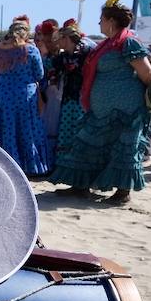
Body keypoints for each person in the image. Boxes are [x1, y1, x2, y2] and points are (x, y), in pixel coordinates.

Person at [48, 0, 151, 204]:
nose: (98, 23)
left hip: (125, 110)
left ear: (111, 21)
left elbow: (147, 74)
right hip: (101, 110)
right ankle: (80, 185)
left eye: (101, 19)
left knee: (123, 147)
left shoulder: (128, 42)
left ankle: (123, 192)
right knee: (88, 144)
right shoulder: (106, 45)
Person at [0, 20, 49, 176]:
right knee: (25, 128)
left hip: (0, 93)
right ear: (26, 33)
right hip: (23, 94)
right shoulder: (31, 50)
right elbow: (39, 74)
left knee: (1, 125)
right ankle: (28, 165)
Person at [49, 20, 95, 197]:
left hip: (83, 101)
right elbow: (51, 67)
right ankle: (76, 183)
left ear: (65, 38)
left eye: (59, 39)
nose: (57, 43)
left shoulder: (86, 53)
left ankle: (84, 184)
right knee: (69, 137)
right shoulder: (63, 57)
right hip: (69, 101)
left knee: (81, 138)